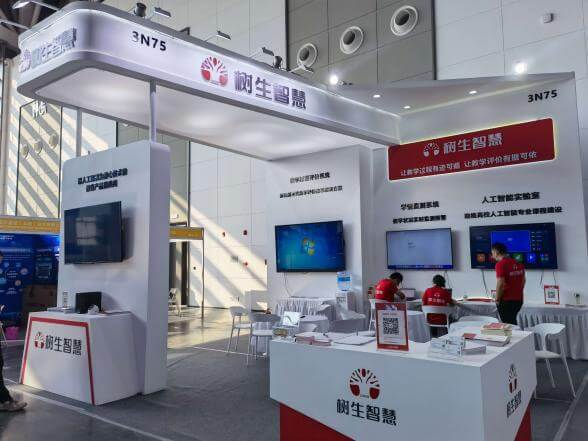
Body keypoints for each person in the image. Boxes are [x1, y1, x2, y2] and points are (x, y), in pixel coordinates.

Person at [492, 242, 525, 325]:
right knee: (512, 322)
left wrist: (497, 298)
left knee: (507, 325)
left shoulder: (500, 264)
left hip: (506, 301)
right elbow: (523, 280)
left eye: (492, 253)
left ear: (496, 252)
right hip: (519, 300)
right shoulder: (518, 263)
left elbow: (501, 283)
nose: (492, 255)